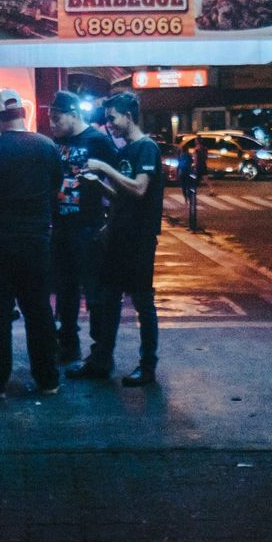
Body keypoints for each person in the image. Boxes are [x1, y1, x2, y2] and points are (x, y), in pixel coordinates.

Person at [0, 88, 63, 400]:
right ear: (22, 114)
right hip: (36, 243)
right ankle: (47, 379)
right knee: (39, 313)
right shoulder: (48, 147)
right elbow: (55, 188)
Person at [75, 93, 164, 388]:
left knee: (142, 301)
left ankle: (147, 366)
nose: (108, 124)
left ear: (128, 115)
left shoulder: (146, 148)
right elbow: (121, 198)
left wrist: (104, 168)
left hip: (139, 238)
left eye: (112, 117)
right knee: (109, 299)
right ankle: (102, 359)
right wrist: (98, 184)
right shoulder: (126, 151)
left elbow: (139, 190)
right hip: (118, 236)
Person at [49, 91, 121, 366]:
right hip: (62, 227)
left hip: (88, 228)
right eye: (51, 119)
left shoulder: (98, 141)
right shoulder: (57, 142)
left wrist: (109, 222)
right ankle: (68, 345)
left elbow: (117, 181)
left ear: (74, 115)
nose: (53, 125)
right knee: (65, 291)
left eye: (57, 119)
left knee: (94, 291)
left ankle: (100, 352)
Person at [181, 135, 207, 233]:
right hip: (200, 166)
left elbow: (193, 160)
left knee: (189, 187)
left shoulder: (195, 150)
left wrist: (194, 165)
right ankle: (189, 199)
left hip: (193, 170)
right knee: (200, 181)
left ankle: (188, 200)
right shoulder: (203, 149)